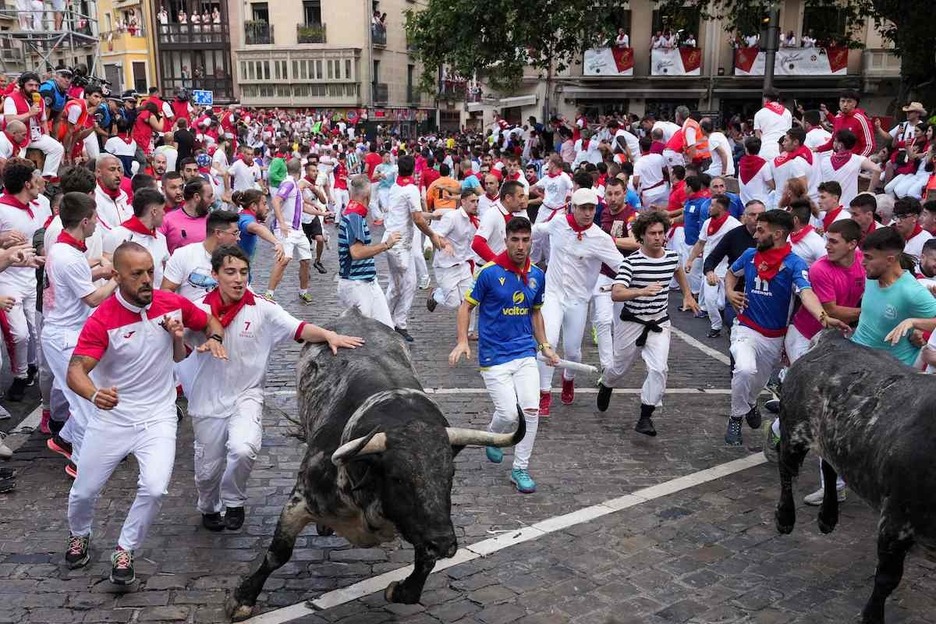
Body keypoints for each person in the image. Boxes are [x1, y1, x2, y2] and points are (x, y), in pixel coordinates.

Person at [64, 242, 226, 585]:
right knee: (83, 491)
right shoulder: (102, 320)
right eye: (137, 274)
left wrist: (213, 337)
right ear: (117, 276)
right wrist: (94, 395)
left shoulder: (172, 305)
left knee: (154, 488)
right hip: (113, 419)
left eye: (150, 271)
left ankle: (125, 548)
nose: (147, 280)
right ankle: (80, 533)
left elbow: (209, 320)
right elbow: (75, 371)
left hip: (159, 417)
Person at [186, 245, 362, 531]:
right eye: (230, 272)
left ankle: (233, 500)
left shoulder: (262, 308)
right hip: (208, 399)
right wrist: (182, 338)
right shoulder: (198, 310)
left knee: (244, 448)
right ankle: (209, 506)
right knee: (208, 470)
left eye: (243, 272)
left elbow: (299, 327)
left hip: (247, 395)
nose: (238, 279)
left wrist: (329, 335)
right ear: (215, 274)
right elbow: (179, 350)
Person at [449, 217, 557, 494]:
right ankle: (493, 437)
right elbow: (465, 307)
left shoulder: (538, 276)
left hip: (524, 353)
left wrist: (544, 345)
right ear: (506, 240)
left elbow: (535, 313)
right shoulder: (488, 273)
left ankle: (520, 468)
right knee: (508, 414)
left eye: (525, 240)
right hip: (494, 356)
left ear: (531, 241)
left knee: (530, 410)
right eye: (515, 240)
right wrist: (463, 341)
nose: (521, 246)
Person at [724, 210, 849, 445]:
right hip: (745, 327)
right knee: (744, 370)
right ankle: (735, 417)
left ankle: (749, 404)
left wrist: (823, 316)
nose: (756, 235)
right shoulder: (750, 255)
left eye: (761, 230)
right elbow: (731, 274)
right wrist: (730, 292)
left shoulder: (793, 264)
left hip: (774, 337)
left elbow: (806, 292)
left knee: (757, 382)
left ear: (778, 234)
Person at [763, 219, 865, 501]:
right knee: (814, 406)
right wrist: (868, 311)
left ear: (852, 244)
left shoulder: (862, 264)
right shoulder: (820, 269)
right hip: (806, 336)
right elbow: (832, 310)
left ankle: (835, 485)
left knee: (828, 408)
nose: (826, 246)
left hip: (840, 338)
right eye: (826, 239)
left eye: (833, 241)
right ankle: (779, 429)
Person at [600, 210, 698, 434]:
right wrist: (641, 291)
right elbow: (616, 293)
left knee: (659, 368)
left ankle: (645, 416)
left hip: (659, 322)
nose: (657, 237)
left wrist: (687, 294)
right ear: (641, 236)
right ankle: (606, 383)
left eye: (661, 233)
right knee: (619, 367)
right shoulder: (631, 262)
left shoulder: (672, 257)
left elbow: (677, 271)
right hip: (631, 322)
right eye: (652, 233)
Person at [42, 193, 119, 478]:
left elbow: (75, 278)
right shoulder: (69, 256)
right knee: (86, 403)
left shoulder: (64, 250)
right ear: (85, 221)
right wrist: (114, 279)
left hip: (67, 333)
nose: (98, 223)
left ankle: (63, 439)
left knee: (89, 393)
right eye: (96, 217)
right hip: (64, 338)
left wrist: (99, 271)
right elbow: (93, 299)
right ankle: (80, 464)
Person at [532, 188, 624, 414]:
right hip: (552, 294)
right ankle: (543, 393)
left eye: (591, 208)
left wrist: (638, 280)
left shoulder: (601, 239)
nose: (587, 213)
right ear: (573, 207)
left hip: (578, 300)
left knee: (572, 351)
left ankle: (568, 377)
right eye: (583, 208)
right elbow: (536, 230)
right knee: (548, 343)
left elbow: (621, 265)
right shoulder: (558, 223)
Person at [0, 158, 52, 401]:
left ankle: (33, 368)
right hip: (7, 279)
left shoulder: (43, 203)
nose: (41, 181)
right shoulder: (1, 209)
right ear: (26, 183)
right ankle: (19, 375)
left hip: (35, 278)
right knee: (20, 333)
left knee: (38, 332)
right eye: (36, 178)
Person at [852, 226, 936, 365]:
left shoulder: (911, 292)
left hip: (887, 370)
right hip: (857, 353)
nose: (863, 263)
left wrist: (914, 323)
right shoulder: (872, 275)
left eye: (869, 257)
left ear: (890, 260)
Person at [382, 154, 443, 342]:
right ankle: (387, 322)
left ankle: (394, 322)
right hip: (398, 245)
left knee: (403, 285)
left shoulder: (395, 187)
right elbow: (416, 218)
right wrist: (432, 234)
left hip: (397, 243)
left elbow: (413, 213)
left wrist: (432, 216)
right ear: (414, 172)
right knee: (401, 286)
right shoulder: (410, 190)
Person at [263, 159, 328, 304]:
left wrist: (321, 214)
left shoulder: (295, 185)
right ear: (300, 171)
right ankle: (269, 293)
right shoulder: (289, 183)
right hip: (286, 228)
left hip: (298, 231)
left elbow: (301, 207)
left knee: (305, 260)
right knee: (284, 260)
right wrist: (281, 223)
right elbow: (275, 201)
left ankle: (303, 292)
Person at [336, 174, 398, 327]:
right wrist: (386, 245)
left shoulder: (354, 214)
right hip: (356, 285)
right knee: (363, 336)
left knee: (386, 329)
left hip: (368, 282)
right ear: (368, 196)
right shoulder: (354, 216)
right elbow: (356, 252)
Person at [686, 194, 741, 338]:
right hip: (710, 268)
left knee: (723, 303)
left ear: (720, 208)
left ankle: (728, 322)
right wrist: (690, 260)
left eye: (711, 205)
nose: (708, 208)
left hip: (727, 269)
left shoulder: (734, 225)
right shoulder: (707, 223)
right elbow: (701, 243)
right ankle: (716, 325)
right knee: (710, 300)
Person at [161, 210, 240, 301]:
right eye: (235, 233)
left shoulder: (237, 259)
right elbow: (166, 292)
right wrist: (190, 310)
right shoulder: (183, 255)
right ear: (218, 233)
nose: (238, 238)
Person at [103, 188, 171, 286]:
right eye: (163, 209)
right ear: (154, 211)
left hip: (155, 297)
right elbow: (106, 272)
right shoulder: (116, 235)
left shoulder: (161, 238)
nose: (164, 213)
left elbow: (164, 270)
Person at [820, 129, 881, 209]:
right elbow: (877, 170)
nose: (833, 143)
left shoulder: (825, 161)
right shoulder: (858, 160)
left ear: (840, 145)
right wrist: (869, 193)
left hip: (827, 207)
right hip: (848, 208)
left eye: (835, 141)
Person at [231, 189, 285, 266]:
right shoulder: (246, 219)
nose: (267, 208)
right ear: (253, 206)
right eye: (264, 204)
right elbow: (256, 228)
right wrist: (277, 242)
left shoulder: (243, 215)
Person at [815, 90, 874, 158]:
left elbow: (870, 146)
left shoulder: (861, 119)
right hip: (837, 161)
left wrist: (858, 162)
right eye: (843, 101)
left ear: (855, 103)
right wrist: (816, 149)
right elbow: (833, 142)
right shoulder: (838, 117)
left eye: (849, 101)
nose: (845, 104)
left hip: (854, 164)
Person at [159, 177, 212, 253]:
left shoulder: (212, 220)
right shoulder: (167, 220)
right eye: (209, 197)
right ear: (196, 197)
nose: (212, 200)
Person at [94, 155, 133, 231]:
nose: (118, 175)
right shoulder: (94, 197)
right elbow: (106, 231)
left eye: (119, 170)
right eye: (112, 169)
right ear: (98, 172)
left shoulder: (124, 196)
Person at [753, 89, 792, 162]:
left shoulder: (759, 114)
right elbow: (789, 133)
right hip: (782, 150)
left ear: (766, 99)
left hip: (765, 150)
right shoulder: (787, 113)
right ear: (777, 99)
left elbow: (757, 137)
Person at [892, 198, 933, 263]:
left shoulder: (926, 239)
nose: (898, 221)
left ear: (915, 218)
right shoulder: (891, 235)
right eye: (896, 216)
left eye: (903, 217)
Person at [738, 137, 774, 206]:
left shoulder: (741, 162)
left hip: (744, 202)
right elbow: (771, 185)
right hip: (761, 203)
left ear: (746, 148)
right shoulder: (763, 164)